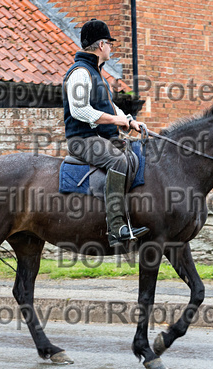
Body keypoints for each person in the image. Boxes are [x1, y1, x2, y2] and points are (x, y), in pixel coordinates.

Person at [63, 19, 149, 247]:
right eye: (110, 44)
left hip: (99, 138)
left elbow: (110, 108)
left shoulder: (98, 74)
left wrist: (129, 122)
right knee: (119, 161)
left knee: (134, 155)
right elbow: (79, 110)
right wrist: (116, 119)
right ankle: (117, 227)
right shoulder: (80, 73)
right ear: (101, 45)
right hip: (82, 140)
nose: (112, 48)